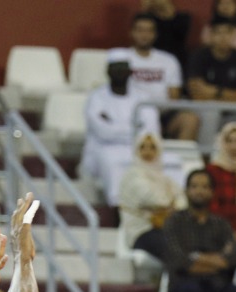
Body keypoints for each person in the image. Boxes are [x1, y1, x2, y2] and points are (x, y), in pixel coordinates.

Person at [161, 169, 236, 292]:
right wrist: (216, 261)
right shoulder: (175, 221)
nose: (200, 191)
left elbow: (231, 259)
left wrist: (195, 257)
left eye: (205, 187)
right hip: (183, 284)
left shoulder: (221, 224)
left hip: (216, 285)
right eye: (195, 186)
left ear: (212, 192)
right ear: (186, 190)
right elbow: (179, 261)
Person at [81, 53, 163, 206]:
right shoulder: (96, 97)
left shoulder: (143, 97)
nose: (119, 72)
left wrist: (116, 127)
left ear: (130, 72)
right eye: (115, 68)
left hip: (140, 150)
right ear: (108, 71)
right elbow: (103, 132)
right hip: (102, 150)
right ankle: (118, 207)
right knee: (112, 160)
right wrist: (133, 129)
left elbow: (150, 131)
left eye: (123, 69)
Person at [124, 14, 197, 141]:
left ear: (155, 34)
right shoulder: (122, 59)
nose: (144, 35)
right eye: (140, 30)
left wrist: (155, 118)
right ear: (132, 32)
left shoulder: (168, 60)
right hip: (130, 114)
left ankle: (182, 160)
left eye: (149, 30)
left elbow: (174, 96)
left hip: (163, 114)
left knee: (190, 120)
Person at [117, 132, 182, 260]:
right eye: (143, 147)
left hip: (165, 228)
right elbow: (153, 198)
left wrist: (173, 203)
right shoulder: (132, 175)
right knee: (174, 250)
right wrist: (171, 202)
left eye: (152, 147)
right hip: (141, 231)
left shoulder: (163, 177)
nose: (147, 151)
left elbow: (183, 201)